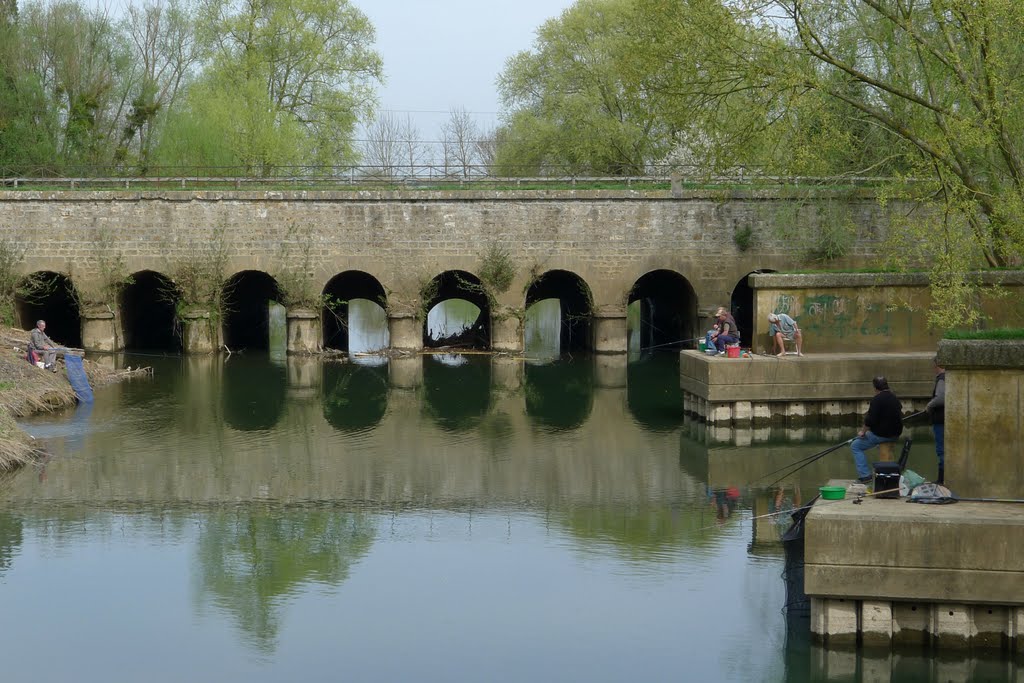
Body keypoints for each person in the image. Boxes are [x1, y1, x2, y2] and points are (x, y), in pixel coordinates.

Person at [850, 376, 903, 483]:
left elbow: (870, 421)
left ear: (875, 388)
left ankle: (865, 476)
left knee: (855, 446)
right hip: (896, 434)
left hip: (882, 435)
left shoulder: (877, 399)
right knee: (875, 441)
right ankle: (884, 471)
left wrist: (862, 432)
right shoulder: (894, 397)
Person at [926, 358, 945, 484]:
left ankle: (941, 479)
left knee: (941, 449)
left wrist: (929, 405)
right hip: (945, 419)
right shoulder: (949, 377)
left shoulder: (942, 378)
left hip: (940, 420)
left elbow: (941, 398)